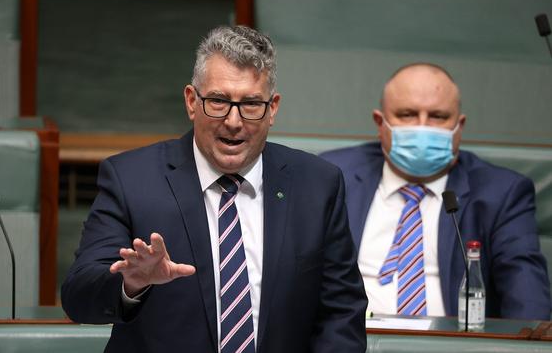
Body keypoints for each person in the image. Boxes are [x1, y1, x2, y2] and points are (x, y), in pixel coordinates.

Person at [62, 25, 367, 353]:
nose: (234, 121)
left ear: (272, 108)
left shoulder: (317, 185)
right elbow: (79, 297)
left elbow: (342, 315)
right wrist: (131, 283)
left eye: (251, 104)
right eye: (219, 101)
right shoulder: (131, 179)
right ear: (192, 101)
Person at [320, 63, 550, 319]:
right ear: (380, 122)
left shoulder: (502, 193)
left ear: (458, 126)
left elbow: (528, 304)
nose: (422, 127)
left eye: (438, 116)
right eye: (407, 114)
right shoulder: (331, 175)